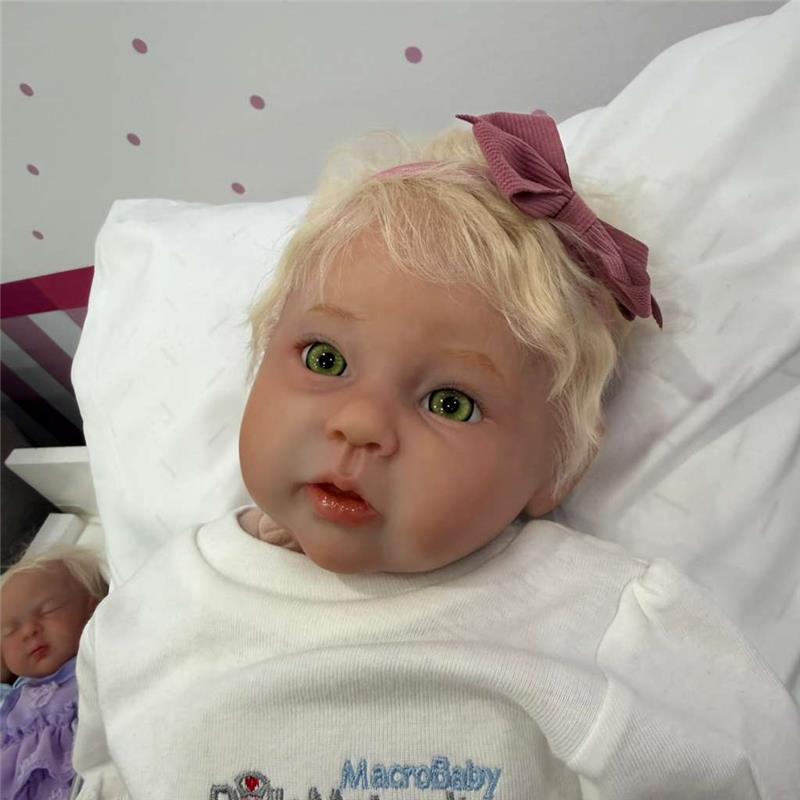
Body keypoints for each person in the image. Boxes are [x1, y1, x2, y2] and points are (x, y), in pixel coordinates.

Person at [71, 111, 799, 799]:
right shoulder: (153, 607)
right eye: (325, 358)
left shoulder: (596, 625)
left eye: (450, 402)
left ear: (558, 469)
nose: (360, 423)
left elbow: (753, 770)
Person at [1, 544, 107, 800]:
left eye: (47, 611)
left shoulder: (99, 661)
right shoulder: (11, 698)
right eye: (9, 631)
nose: (29, 631)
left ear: (93, 608)